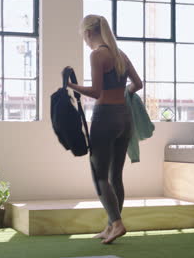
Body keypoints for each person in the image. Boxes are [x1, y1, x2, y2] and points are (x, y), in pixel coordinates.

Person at [67, 14, 143, 244]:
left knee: (99, 175)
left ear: (89, 33)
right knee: (115, 176)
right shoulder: (121, 55)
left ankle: (117, 223)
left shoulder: (97, 55)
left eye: (83, 35)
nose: (84, 40)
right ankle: (111, 226)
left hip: (105, 117)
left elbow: (96, 92)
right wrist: (124, 94)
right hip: (124, 118)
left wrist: (71, 85)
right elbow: (137, 85)